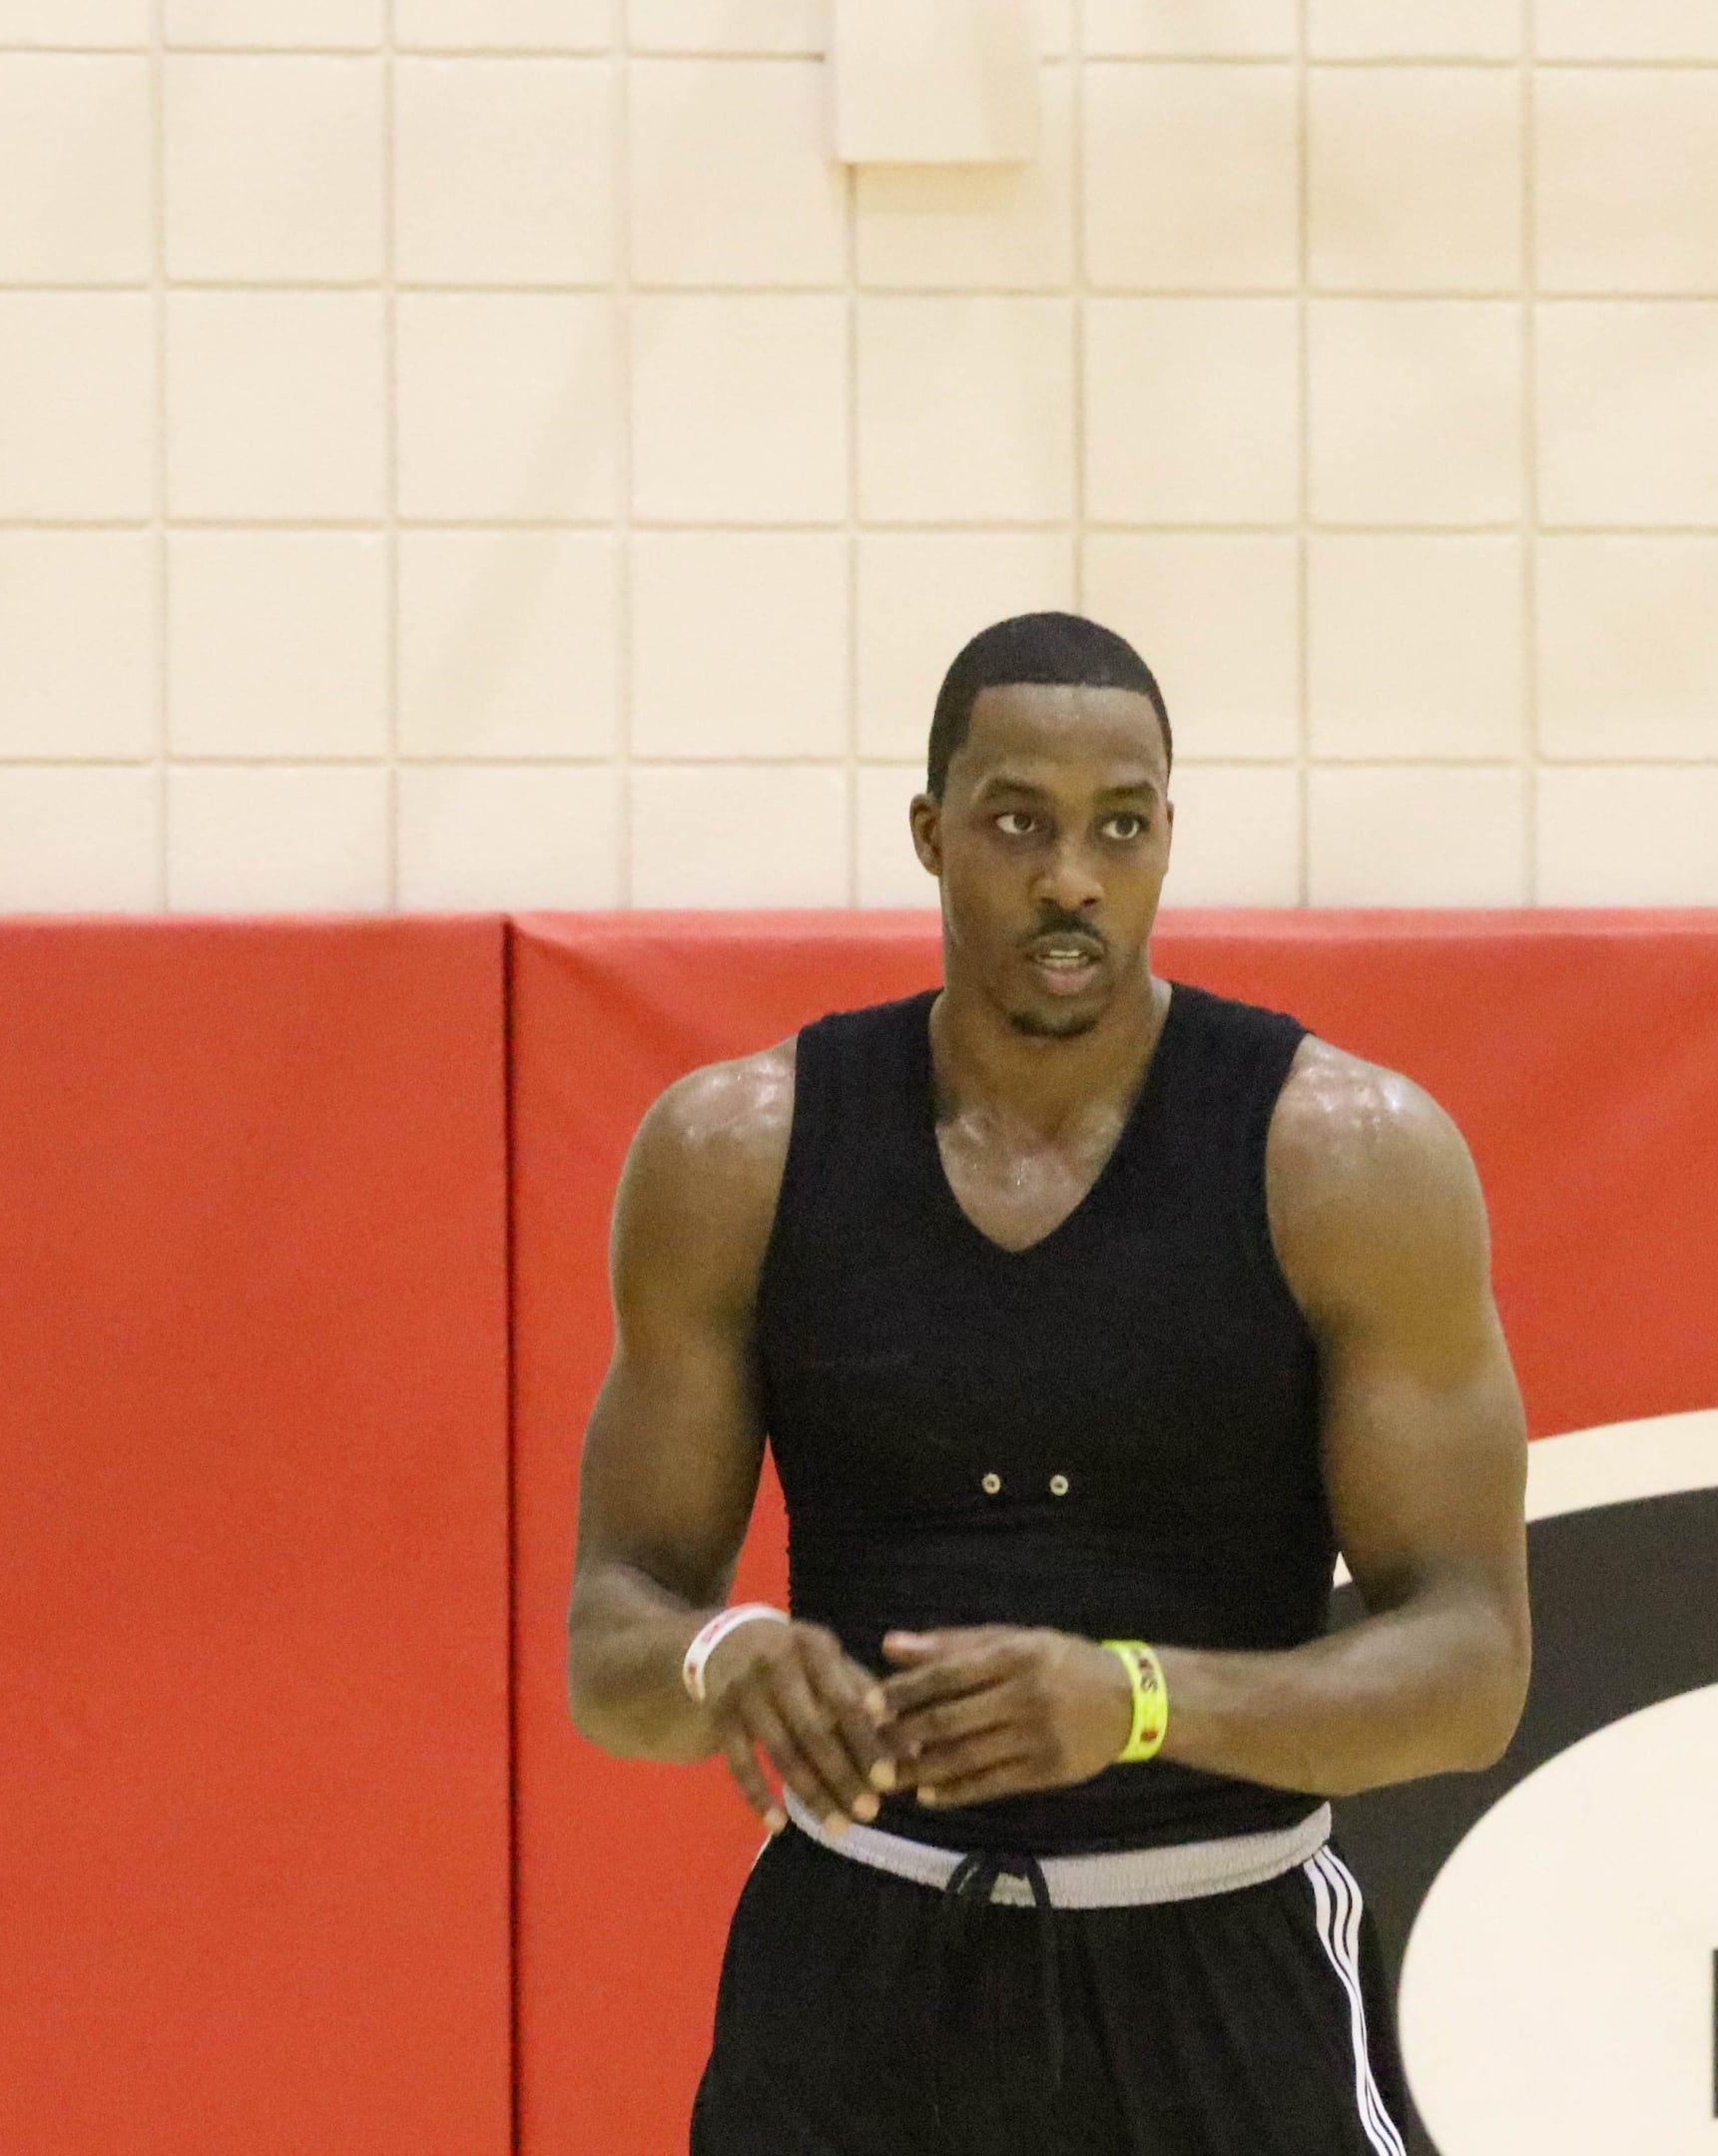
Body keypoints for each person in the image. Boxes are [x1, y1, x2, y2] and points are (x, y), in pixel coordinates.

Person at [564, 613, 1531, 2154]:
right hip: (852, 1974)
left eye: (1121, 827)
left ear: (1165, 839)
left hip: (1219, 1959)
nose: (1071, 877)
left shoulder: (1346, 1158)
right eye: (1019, 822)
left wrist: (1139, 1701)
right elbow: (612, 1632)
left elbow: (1473, 1669)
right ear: (934, 835)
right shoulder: (737, 1152)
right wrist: (724, 1657)